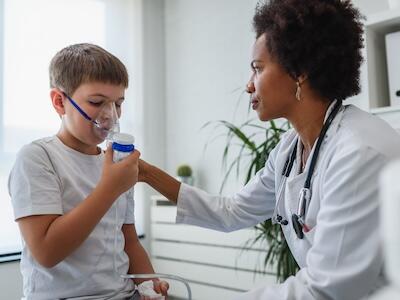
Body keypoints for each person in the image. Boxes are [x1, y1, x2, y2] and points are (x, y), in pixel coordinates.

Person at [138, 0, 400, 299]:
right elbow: (231, 212)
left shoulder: (358, 153)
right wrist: (146, 173)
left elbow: (328, 290)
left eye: (257, 69)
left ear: (299, 71)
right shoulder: (290, 150)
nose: (249, 85)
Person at [8, 43, 168, 300]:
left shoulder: (116, 162)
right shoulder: (38, 158)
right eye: (96, 102)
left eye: (118, 103)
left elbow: (128, 240)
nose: (111, 116)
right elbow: (47, 252)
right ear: (60, 102)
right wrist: (110, 187)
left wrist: (149, 284)